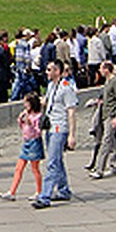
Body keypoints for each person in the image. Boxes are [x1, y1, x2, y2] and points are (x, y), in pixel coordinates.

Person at [32, 60, 78, 209]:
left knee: (52, 161)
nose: (46, 72)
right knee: (57, 159)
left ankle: (44, 196)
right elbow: (47, 102)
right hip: (50, 127)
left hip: (60, 128)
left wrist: (71, 135)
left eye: (49, 69)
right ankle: (63, 189)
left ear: (57, 71)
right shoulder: (51, 86)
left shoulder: (66, 88)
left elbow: (71, 111)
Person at [0, 91, 44, 201]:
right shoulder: (27, 114)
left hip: (34, 142)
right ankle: (12, 191)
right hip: (27, 142)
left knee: (35, 168)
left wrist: (30, 124)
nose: (24, 105)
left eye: (26, 103)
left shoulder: (37, 116)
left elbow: (38, 131)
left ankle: (39, 191)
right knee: (19, 167)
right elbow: (23, 128)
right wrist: (21, 120)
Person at [87, 61, 116, 178]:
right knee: (112, 141)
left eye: (101, 69)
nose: (99, 71)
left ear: (106, 69)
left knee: (106, 141)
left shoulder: (115, 81)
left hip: (111, 115)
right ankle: (115, 164)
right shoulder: (107, 82)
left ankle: (100, 169)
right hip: (105, 114)